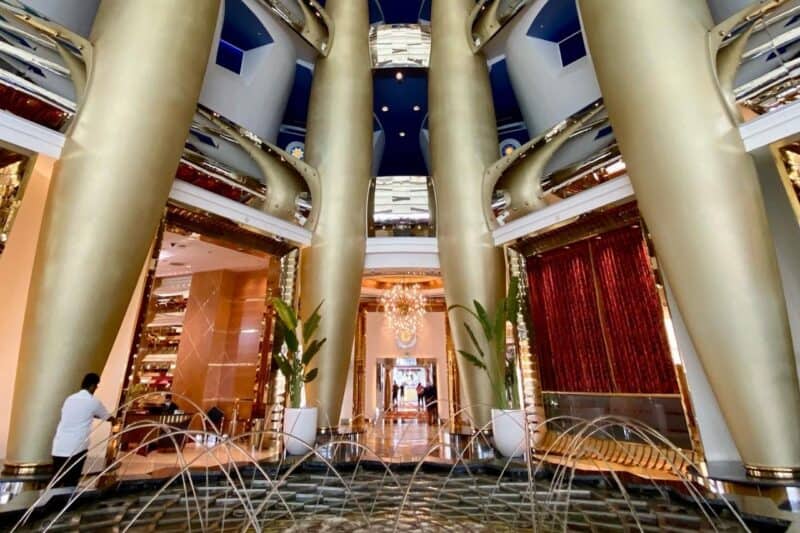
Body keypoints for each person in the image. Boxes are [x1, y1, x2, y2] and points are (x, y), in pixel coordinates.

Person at [51, 373, 115, 487]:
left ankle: (50, 503)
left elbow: (78, 414)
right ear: (92, 386)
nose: (96, 389)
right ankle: (68, 503)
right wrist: (116, 420)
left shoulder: (70, 399)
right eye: (96, 386)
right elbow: (107, 417)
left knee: (56, 480)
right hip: (76, 447)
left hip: (59, 446)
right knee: (71, 482)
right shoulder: (93, 401)